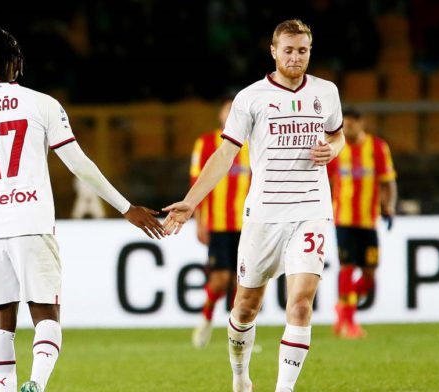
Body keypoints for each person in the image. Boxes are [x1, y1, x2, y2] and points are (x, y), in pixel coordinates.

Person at [0, 29, 164, 392]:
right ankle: (37, 384)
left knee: (1, 318)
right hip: (32, 222)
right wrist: (126, 208)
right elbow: (79, 164)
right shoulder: (42, 104)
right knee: (46, 314)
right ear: (18, 64)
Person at [163, 19, 345, 392]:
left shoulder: (326, 92)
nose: (296, 58)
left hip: (311, 211)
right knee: (245, 306)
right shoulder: (251, 98)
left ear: (310, 51)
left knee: (300, 303)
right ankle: (241, 376)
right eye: (289, 50)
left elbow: (337, 134)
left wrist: (334, 148)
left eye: (303, 51)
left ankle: (283, 389)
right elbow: (226, 153)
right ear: (274, 51)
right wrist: (191, 202)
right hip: (263, 215)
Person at [327, 108, 397, 339]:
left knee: (369, 276)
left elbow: (388, 182)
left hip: (368, 221)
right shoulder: (336, 149)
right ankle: (348, 322)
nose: (348, 127)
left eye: (352, 123)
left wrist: (389, 206)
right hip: (344, 220)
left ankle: (343, 307)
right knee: (347, 267)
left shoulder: (377, 148)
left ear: (362, 123)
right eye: (345, 123)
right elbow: (325, 180)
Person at [191, 98, 251, 348]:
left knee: (243, 282)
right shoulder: (205, 143)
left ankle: (236, 335)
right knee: (220, 279)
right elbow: (196, 182)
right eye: (227, 109)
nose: (230, 114)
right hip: (217, 223)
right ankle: (205, 320)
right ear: (220, 115)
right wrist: (198, 220)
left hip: (248, 224)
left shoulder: (252, 144)